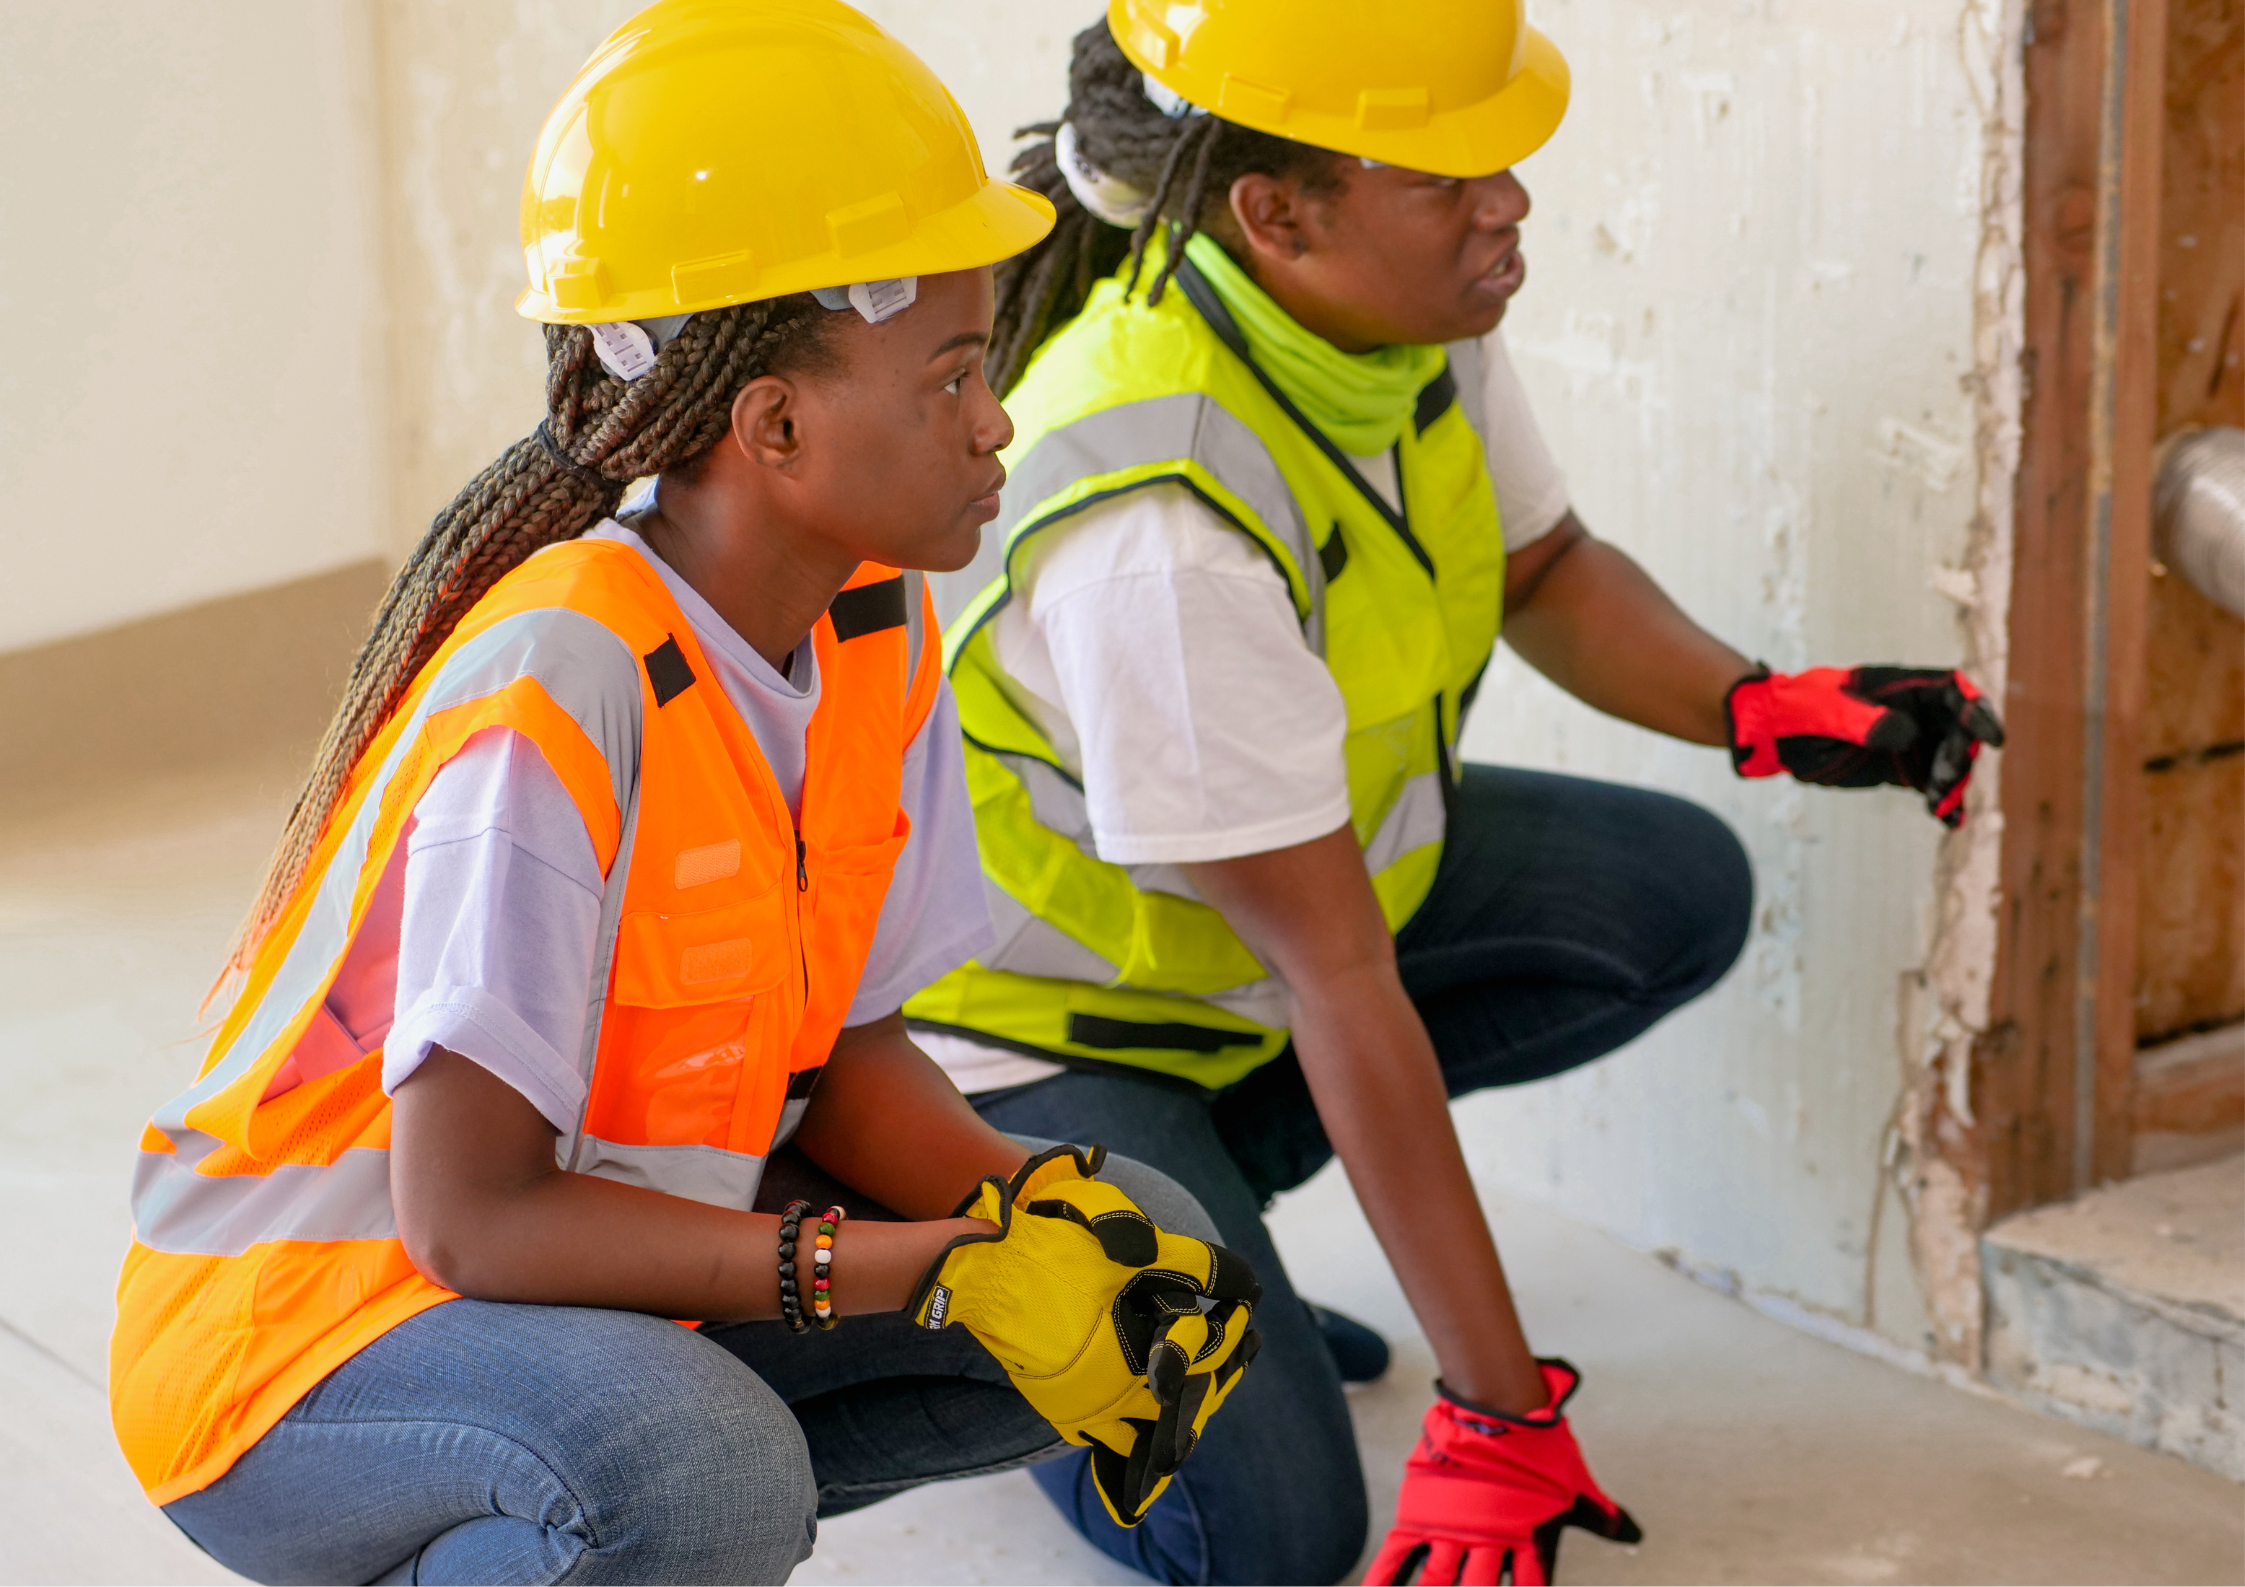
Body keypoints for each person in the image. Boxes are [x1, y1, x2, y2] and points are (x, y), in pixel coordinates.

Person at [107, 5, 1260, 1582]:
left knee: (1134, 1236)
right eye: (951, 376)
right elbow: (471, 1221)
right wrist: (908, 1269)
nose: (997, 421)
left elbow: (845, 1064)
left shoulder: (868, 616)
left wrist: (1046, 1214)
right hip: (312, 1343)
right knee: (702, 1466)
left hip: (576, 1279)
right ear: (775, 425)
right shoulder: (563, 681)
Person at [903, 3, 2008, 1583]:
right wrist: (1501, 1406)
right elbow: (1338, 975)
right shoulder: (1158, 513)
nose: (1510, 201)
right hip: (1037, 1038)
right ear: (1275, 213)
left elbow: (1545, 565)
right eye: (1446, 174)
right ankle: (991, 1324)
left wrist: (1753, 705)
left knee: (1666, 891)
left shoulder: (1394, 327)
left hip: (1240, 963)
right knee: (1276, 1537)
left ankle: (1206, 1219)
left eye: (1498, 154)